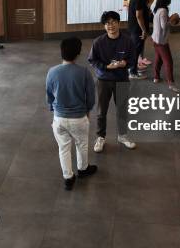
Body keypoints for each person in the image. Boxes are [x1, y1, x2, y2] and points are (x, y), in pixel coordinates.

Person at [46, 37, 98, 190]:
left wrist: (53, 110)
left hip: (59, 119)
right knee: (81, 144)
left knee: (64, 148)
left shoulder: (52, 72)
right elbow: (91, 97)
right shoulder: (84, 73)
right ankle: (83, 169)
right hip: (79, 118)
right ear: (78, 53)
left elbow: (49, 95)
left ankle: (68, 177)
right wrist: (87, 112)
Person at [88, 11, 136, 152]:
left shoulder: (127, 41)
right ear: (104, 26)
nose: (111, 25)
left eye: (114, 22)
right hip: (104, 80)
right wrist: (106, 66)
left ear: (119, 23)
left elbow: (133, 59)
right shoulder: (98, 42)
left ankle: (122, 135)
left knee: (122, 109)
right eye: (108, 23)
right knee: (101, 111)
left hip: (122, 79)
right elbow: (92, 60)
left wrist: (125, 63)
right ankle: (100, 137)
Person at [127, 0, 178, 79]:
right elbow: (138, 16)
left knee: (137, 49)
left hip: (135, 29)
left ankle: (133, 69)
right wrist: (144, 30)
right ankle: (132, 72)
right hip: (137, 30)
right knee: (136, 50)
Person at [151, 0, 180, 92]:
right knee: (169, 62)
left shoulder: (158, 9)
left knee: (158, 58)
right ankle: (171, 84)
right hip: (161, 41)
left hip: (156, 39)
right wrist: (173, 19)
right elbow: (164, 26)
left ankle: (156, 77)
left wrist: (170, 19)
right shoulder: (163, 10)